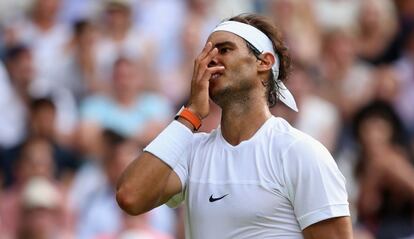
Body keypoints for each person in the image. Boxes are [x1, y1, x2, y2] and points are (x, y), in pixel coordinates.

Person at [116, 13, 352, 238]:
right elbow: (131, 196)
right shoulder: (191, 151)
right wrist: (191, 114)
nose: (211, 60)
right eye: (206, 53)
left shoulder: (300, 153)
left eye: (224, 49)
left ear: (263, 62)